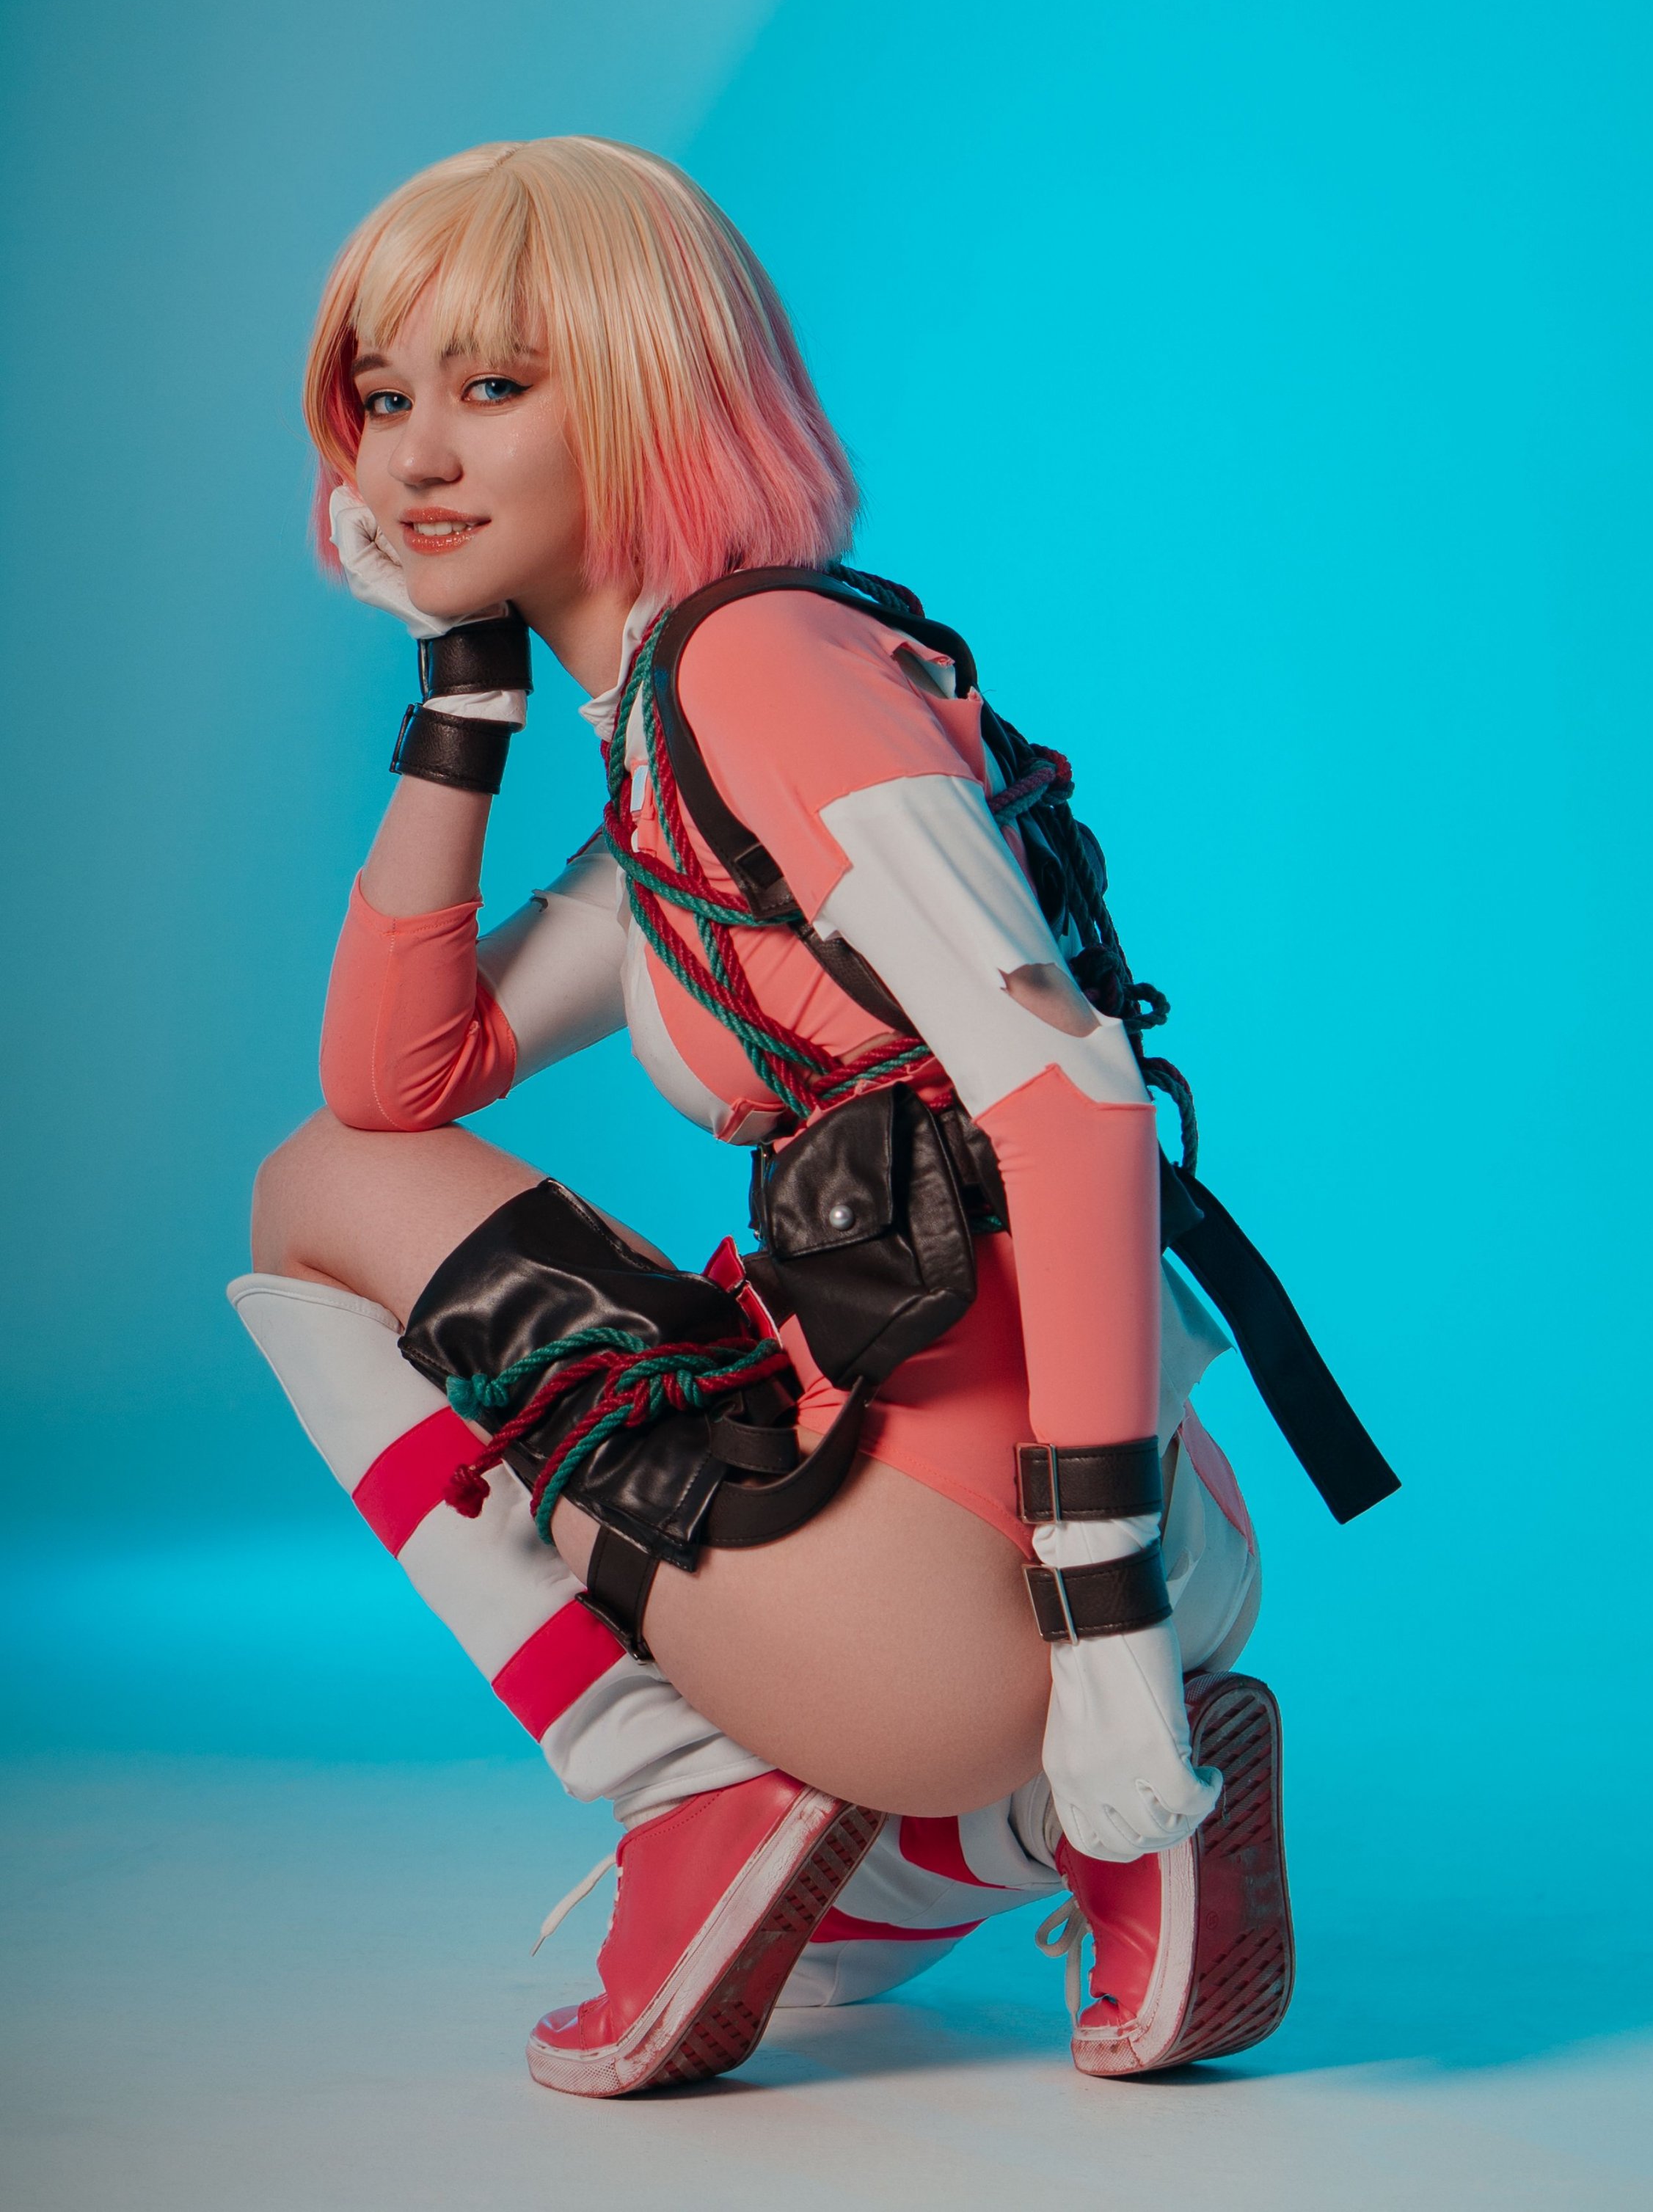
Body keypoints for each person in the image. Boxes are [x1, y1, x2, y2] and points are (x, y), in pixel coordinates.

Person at [233, 135, 1290, 2098]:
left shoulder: (760, 676)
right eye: (381, 397)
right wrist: (459, 701)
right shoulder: (680, 737)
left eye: (494, 384)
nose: (413, 457)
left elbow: (1077, 1108)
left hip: (1006, 1570)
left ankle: (689, 1778)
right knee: (836, 1976)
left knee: (306, 1196)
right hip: (1106, 1488)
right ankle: (1084, 1834)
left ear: (653, 393)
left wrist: (1103, 1636)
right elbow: (402, 1078)